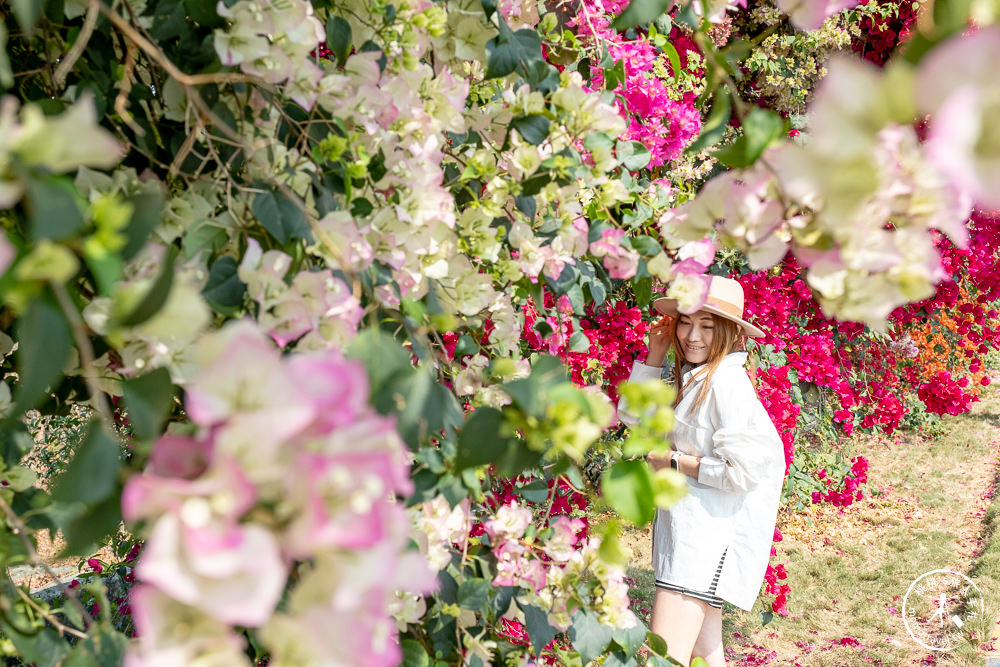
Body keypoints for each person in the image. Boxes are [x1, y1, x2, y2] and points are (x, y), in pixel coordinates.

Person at [618, 276, 786, 667]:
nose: (693, 335)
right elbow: (632, 417)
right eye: (687, 322)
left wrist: (674, 462)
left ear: (728, 332)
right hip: (691, 540)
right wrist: (655, 354)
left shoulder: (725, 385)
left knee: (665, 658)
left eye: (708, 326)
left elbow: (743, 472)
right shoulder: (698, 377)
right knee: (705, 655)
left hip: (702, 547)